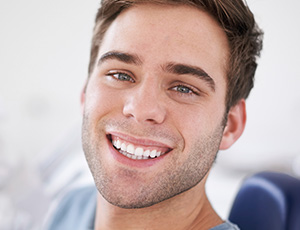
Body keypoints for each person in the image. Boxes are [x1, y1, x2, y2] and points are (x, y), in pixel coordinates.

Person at [47, 0, 263, 229]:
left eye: (183, 88)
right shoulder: (72, 207)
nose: (140, 110)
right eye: (120, 75)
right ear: (85, 91)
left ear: (230, 126)